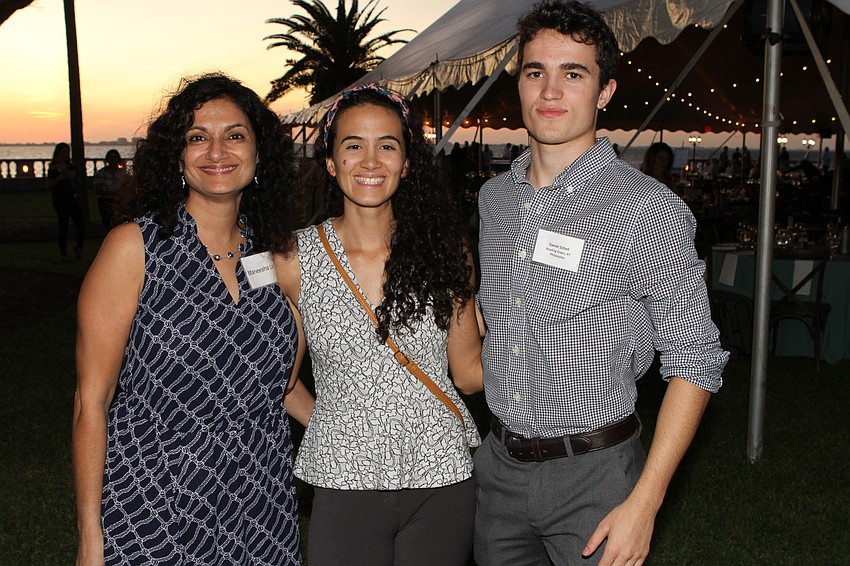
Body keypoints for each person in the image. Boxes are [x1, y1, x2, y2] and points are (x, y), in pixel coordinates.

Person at [474, 2, 728, 565]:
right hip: (498, 474)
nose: (550, 91)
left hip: (596, 478)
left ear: (605, 91)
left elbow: (696, 360)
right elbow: (492, 321)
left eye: (574, 73)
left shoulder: (647, 211)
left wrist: (647, 500)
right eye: (536, 71)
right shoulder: (494, 201)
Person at [72, 73, 304, 565]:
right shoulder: (134, 248)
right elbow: (91, 401)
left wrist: (358, 435)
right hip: (156, 505)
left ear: (260, 154)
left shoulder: (273, 253)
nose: (216, 151)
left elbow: (281, 383)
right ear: (177, 157)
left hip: (260, 505)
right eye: (197, 137)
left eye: (235, 135)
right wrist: (91, 537)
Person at [276, 83, 484, 566]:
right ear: (331, 162)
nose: (370, 161)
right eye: (354, 145)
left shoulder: (446, 252)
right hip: (344, 482)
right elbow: (277, 380)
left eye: (387, 146)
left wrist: (535, 331)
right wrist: (339, 425)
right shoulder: (293, 258)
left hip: (442, 481)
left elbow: (470, 373)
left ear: (407, 163)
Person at [47, 142, 85, 258]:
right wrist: (59, 177)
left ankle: (79, 247)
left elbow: (71, 176)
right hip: (59, 198)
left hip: (70, 197)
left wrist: (63, 168)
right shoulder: (52, 167)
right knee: (63, 225)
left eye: (67, 151)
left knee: (80, 223)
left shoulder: (70, 165)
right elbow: (50, 184)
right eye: (64, 151)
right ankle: (63, 253)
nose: (66, 154)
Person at [92, 149, 126, 230]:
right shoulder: (101, 173)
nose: (114, 159)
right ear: (107, 159)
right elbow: (98, 190)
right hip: (106, 201)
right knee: (108, 223)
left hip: (119, 201)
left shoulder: (122, 173)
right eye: (111, 157)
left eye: (115, 157)